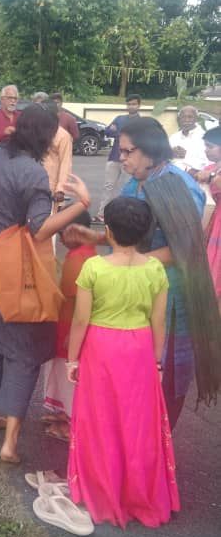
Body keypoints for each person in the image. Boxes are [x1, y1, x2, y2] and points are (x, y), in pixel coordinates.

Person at [0, 103, 92, 464]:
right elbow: (40, 228)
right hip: (8, 260)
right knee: (23, 345)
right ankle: (10, 444)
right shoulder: (33, 173)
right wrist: (81, 204)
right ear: (46, 136)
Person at [70, 117, 220, 426]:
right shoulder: (137, 180)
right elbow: (128, 235)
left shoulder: (176, 185)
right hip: (135, 290)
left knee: (159, 383)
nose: (121, 158)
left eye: (128, 152)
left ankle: (150, 458)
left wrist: (129, 266)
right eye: (120, 151)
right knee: (126, 381)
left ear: (150, 152)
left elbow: (184, 249)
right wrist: (97, 237)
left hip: (168, 296)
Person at [66, 196, 180, 529]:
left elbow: (80, 321)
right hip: (140, 349)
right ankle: (137, 490)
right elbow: (159, 322)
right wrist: (157, 362)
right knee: (137, 423)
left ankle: (103, 488)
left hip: (102, 349)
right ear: (145, 232)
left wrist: (73, 359)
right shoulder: (155, 268)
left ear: (109, 231)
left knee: (101, 421)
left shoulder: (94, 268)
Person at [42, 209, 97, 439]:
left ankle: (71, 425)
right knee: (61, 374)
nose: (61, 237)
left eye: (62, 232)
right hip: (67, 322)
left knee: (69, 379)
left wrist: (70, 334)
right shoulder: (86, 253)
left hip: (69, 326)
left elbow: (77, 302)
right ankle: (64, 414)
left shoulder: (79, 259)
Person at [95, 93, 142, 220]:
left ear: (139, 105)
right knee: (108, 186)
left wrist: (119, 132)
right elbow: (108, 131)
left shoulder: (141, 122)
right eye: (129, 104)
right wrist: (123, 133)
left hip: (131, 159)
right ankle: (101, 214)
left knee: (127, 188)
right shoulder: (120, 118)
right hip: (114, 157)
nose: (131, 106)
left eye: (134, 104)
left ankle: (125, 216)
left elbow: (139, 138)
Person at [196, 126, 221, 311]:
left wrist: (211, 176)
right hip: (212, 222)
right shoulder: (212, 167)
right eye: (205, 146)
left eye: (210, 146)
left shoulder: (212, 171)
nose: (206, 150)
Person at [33, 96, 73, 204]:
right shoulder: (34, 131)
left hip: (52, 189)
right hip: (32, 185)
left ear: (56, 115)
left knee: (50, 219)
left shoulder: (63, 136)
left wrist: (60, 189)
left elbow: (66, 164)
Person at [169, 105, 208, 175]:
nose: (186, 120)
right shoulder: (173, 137)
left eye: (190, 117)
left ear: (196, 119)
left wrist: (186, 155)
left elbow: (207, 161)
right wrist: (170, 153)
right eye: (183, 117)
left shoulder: (204, 137)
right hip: (172, 177)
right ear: (179, 119)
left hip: (196, 179)